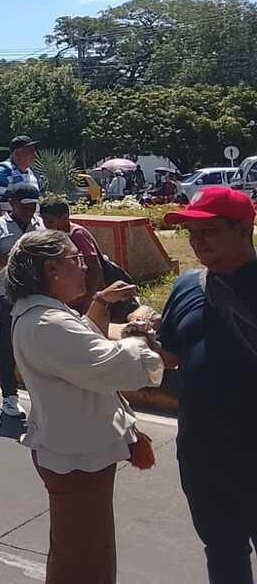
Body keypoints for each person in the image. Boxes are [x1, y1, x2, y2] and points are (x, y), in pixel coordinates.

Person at [6, 229, 163, 584]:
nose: (84, 267)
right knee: (84, 559)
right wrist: (137, 331)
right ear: (52, 270)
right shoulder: (47, 323)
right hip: (77, 458)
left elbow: (79, 350)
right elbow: (108, 366)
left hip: (73, 451)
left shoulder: (46, 315)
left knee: (82, 550)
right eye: (76, 260)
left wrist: (101, 303)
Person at [156, 187, 257, 584]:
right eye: (192, 233)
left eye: (209, 231)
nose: (198, 243)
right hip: (204, 457)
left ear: (243, 230)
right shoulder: (188, 287)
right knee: (223, 551)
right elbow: (171, 355)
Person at [0, 183, 44, 419]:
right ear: (13, 204)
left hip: (37, 294)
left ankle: (41, 396)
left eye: (33, 205)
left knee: (37, 346)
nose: (30, 210)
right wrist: (17, 259)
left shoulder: (39, 225)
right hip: (9, 294)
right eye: (25, 206)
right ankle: (9, 397)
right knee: (8, 346)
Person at [0, 135, 41, 220]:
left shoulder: (30, 172)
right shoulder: (4, 171)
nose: (34, 154)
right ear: (17, 153)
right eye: (30, 151)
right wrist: (0, 227)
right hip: (10, 228)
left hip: (28, 227)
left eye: (33, 151)